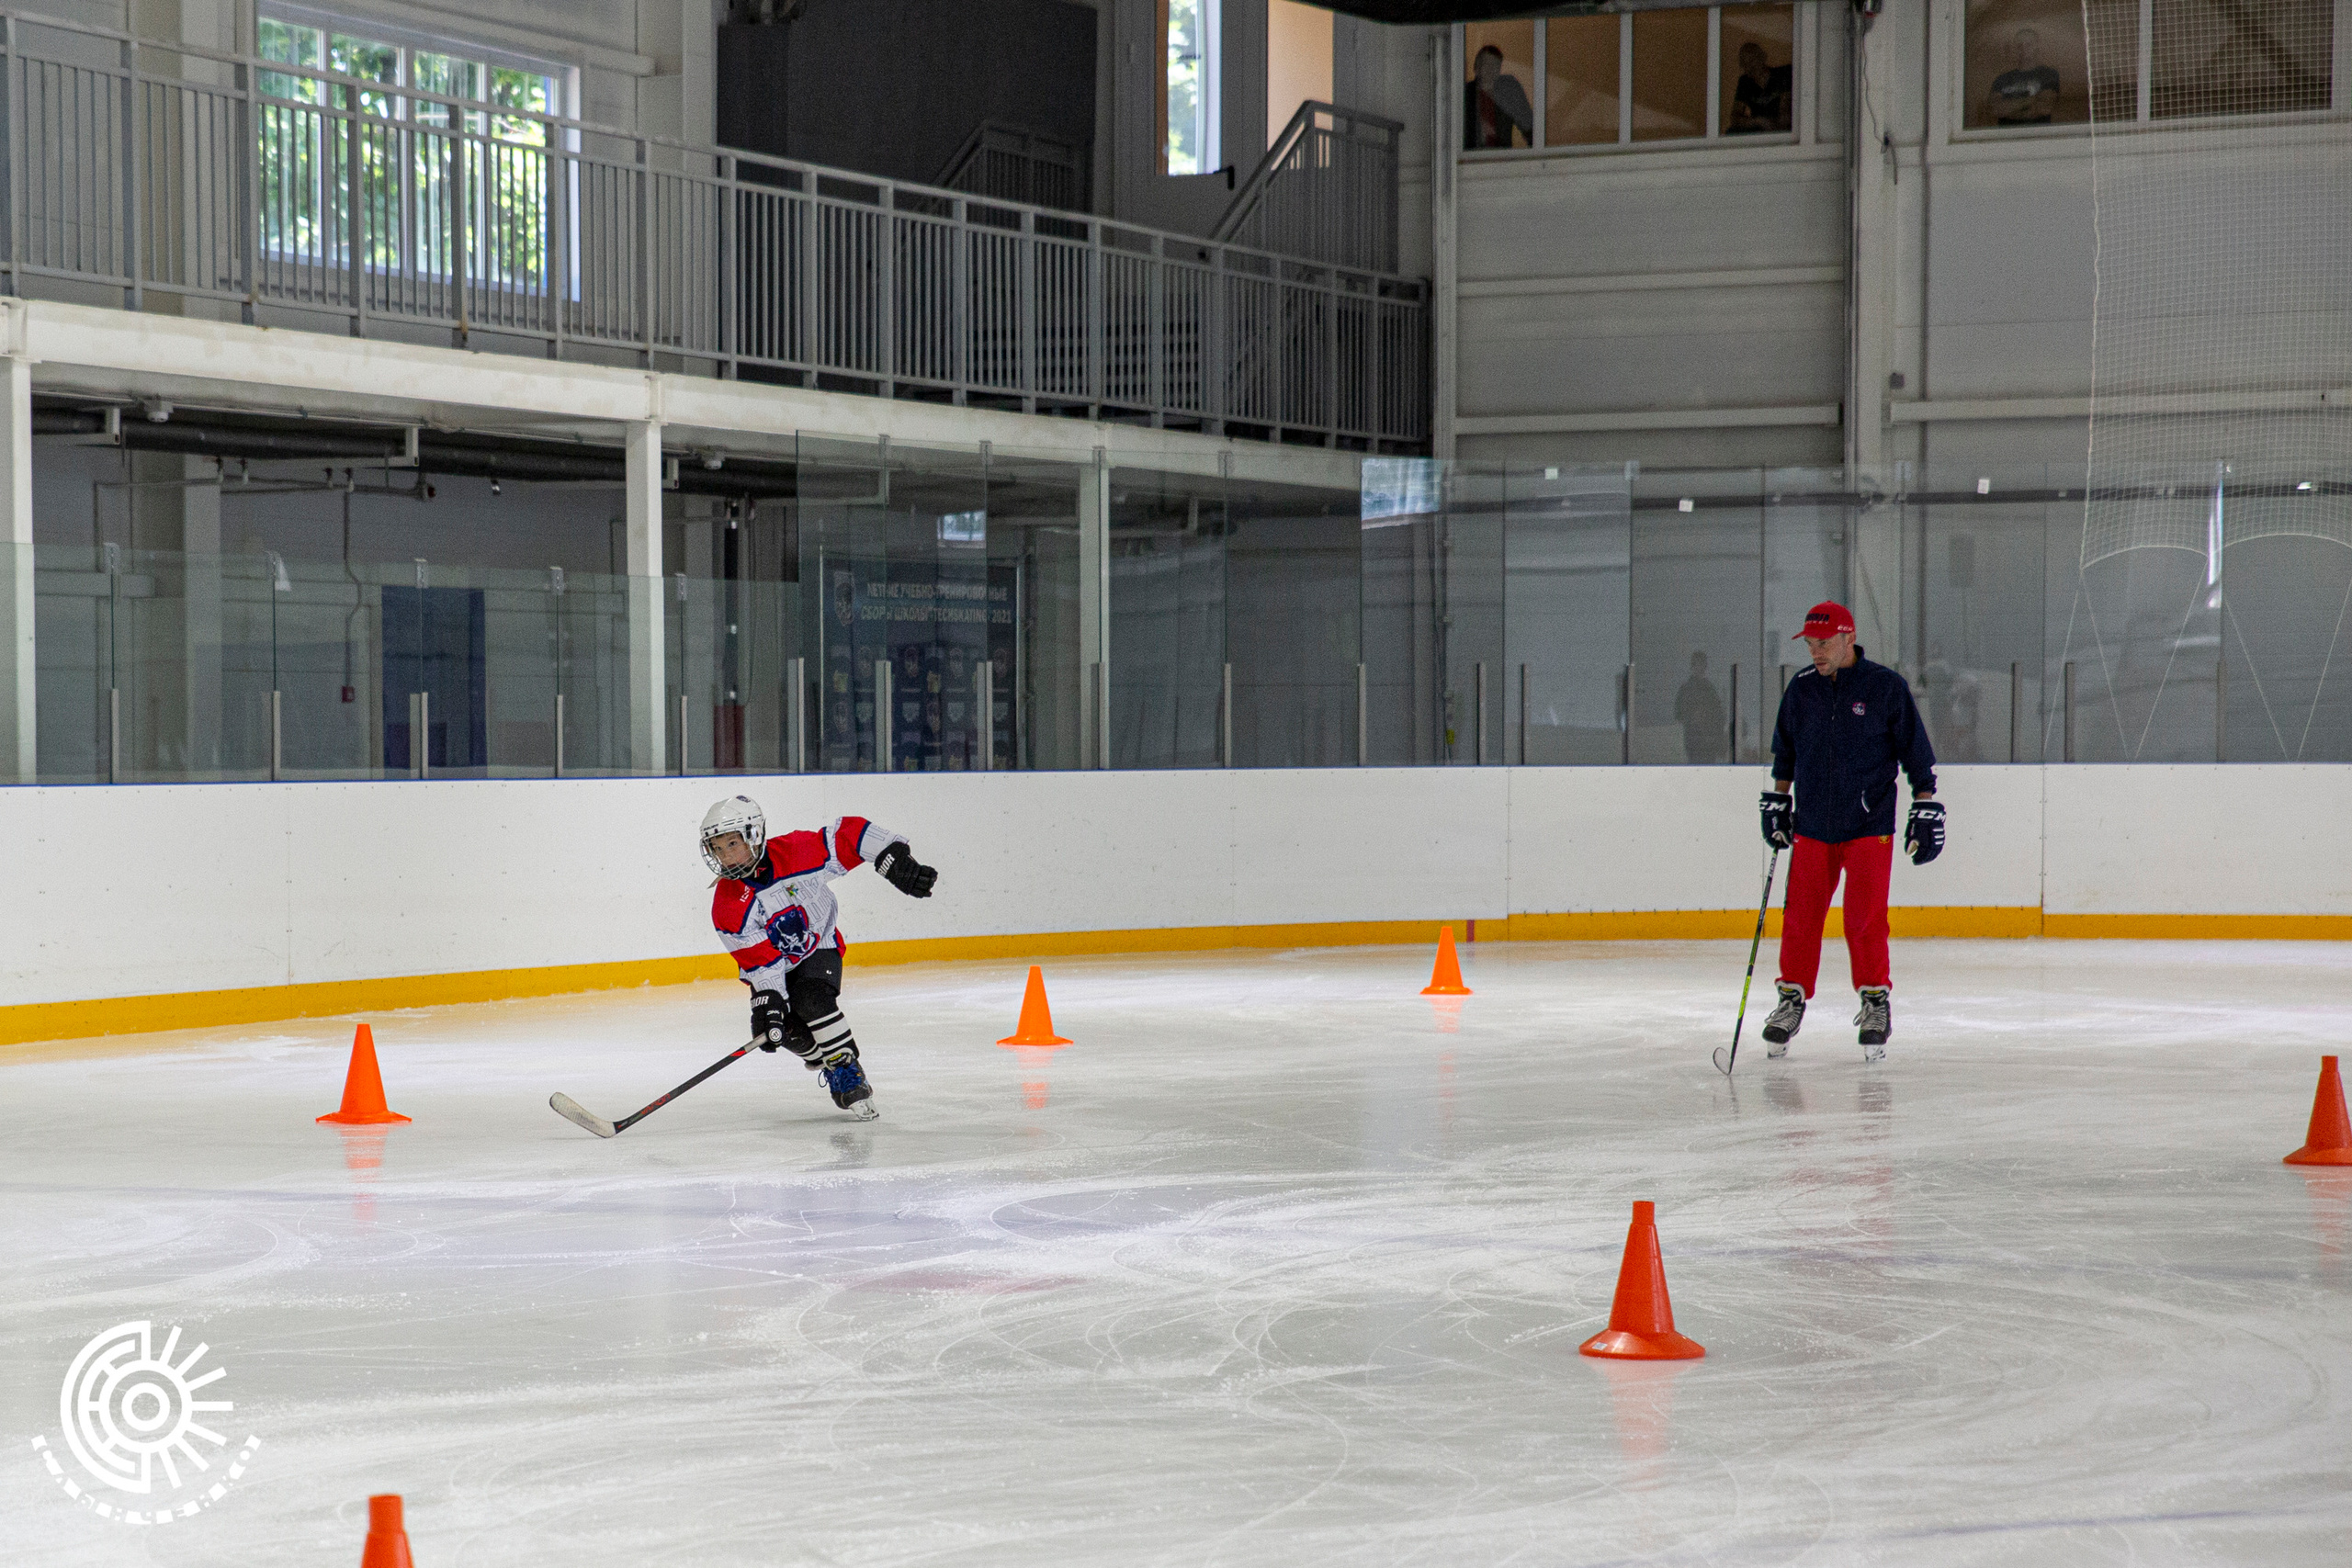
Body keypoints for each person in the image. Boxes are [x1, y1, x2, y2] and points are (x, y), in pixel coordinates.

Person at [1755, 602, 1944, 1062]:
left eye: (1823, 643)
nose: (1815, 653)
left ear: (1847, 638)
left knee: (1864, 918)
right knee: (1800, 917)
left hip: (1868, 824)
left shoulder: (1885, 688)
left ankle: (1875, 1002)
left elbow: (1917, 758)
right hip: (1813, 825)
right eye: (1810, 644)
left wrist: (1926, 806)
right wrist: (1779, 799)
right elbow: (1786, 754)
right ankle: (1791, 998)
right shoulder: (1801, 690)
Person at [699, 795, 938, 1115]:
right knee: (778, 1029)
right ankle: (823, 1059)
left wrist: (892, 856)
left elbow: (849, 835)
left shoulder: (796, 852)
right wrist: (770, 999)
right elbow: (761, 961)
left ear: (754, 836)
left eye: (732, 844)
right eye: (717, 848)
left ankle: (846, 1070)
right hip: (775, 966)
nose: (726, 856)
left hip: (818, 947)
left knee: (811, 999)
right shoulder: (728, 905)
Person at [1464, 43, 1534, 150]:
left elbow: (1528, 126)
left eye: (1495, 65)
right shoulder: (1466, 94)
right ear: (1477, 68)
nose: (1490, 69)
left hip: (1502, 159)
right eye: (1486, 64)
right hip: (1472, 160)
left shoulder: (1507, 90)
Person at [1986, 30, 2062, 126]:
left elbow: (2044, 108)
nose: (2023, 49)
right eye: (2019, 46)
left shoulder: (2049, 74)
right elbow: (1995, 110)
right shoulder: (2002, 79)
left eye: (2028, 44)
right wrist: (2032, 99)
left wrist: (2009, 108)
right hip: (2007, 138)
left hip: (2038, 137)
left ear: (2036, 46)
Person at [1726, 39, 1793, 134]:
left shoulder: (1782, 74)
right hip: (1759, 131)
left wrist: (1773, 126)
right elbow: (1735, 117)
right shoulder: (1745, 82)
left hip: (1783, 132)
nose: (1750, 66)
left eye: (1752, 60)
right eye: (1745, 64)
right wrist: (1758, 121)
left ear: (1763, 57)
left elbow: (1785, 113)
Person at [1674, 651, 1728, 763]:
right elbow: (1678, 714)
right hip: (1694, 740)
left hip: (1709, 741)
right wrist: (1693, 717)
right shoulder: (1686, 690)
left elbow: (1719, 715)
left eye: (1703, 664)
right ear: (1693, 666)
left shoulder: (1710, 689)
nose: (1701, 667)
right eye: (1698, 664)